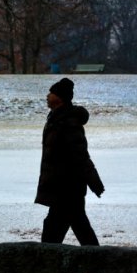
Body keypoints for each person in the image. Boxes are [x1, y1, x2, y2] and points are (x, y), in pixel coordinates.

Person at [35, 77, 105, 246]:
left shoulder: (68, 123)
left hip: (67, 187)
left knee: (59, 229)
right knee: (74, 226)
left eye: (51, 93)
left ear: (59, 98)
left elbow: (80, 155)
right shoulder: (56, 119)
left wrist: (95, 182)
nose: (47, 95)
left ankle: (97, 262)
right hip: (62, 186)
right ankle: (97, 261)